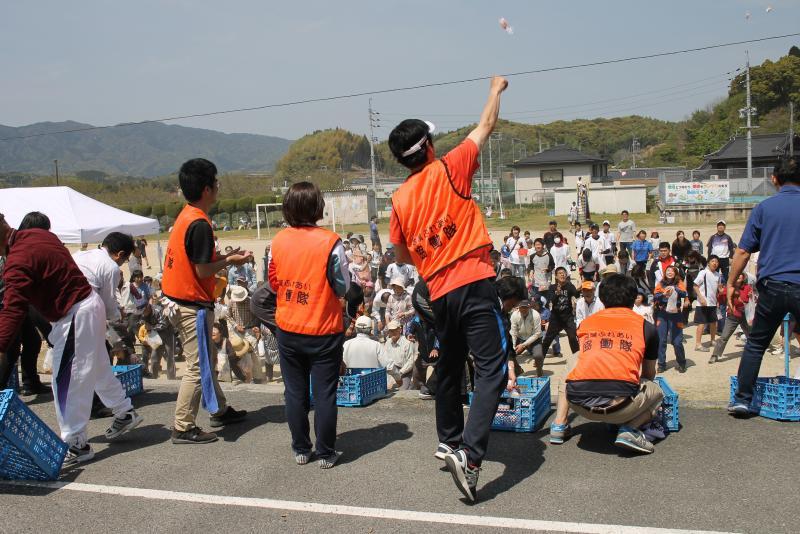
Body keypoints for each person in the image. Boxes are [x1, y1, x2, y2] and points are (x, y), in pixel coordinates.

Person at [387, 76, 510, 501]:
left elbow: (401, 254)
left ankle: (448, 440)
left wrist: (429, 260)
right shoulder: (451, 166)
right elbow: (486, 125)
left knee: (451, 362)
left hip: (438, 290)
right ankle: (471, 460)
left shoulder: (400, 198)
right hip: (474, 280)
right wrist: (495, 90)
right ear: (429, 147)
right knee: (492, 369)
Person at [0, 213, 142, 466]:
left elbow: (13, 309)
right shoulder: (39, 235)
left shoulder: (17, 261)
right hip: (88, 304)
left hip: (75, 313)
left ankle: (76, 444)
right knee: (97, 367)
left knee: (66, 379)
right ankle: (124, 410)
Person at [161, 158, 250, 445]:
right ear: (206, 189)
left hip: (182, 300)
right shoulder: (199, 223)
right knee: (198, 367)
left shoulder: (188, 214)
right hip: (191, 305)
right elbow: (202, 270)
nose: (218, 185)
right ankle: (183, 426)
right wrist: (230, 260)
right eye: (215, 181)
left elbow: (198, 262)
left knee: (207, 360)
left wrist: (223, 257)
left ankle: (219, 410)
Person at [268, 181, 349, 468]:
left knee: (294, 392)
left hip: (288, 326)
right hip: (323, 327)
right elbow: (342, 284)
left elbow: (274, 281)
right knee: (325, 393)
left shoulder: (278, 241)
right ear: (317, 207)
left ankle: (301, 449)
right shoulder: (330, 241)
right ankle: (326, 452)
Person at [549, 274, 663, 454]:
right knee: (657, 392)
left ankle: (559, 424)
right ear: (634, 298)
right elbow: (648, 374)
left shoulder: (586, 324)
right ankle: (629, 429)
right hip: (622, 408)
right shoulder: (647, 328)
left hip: (579, 405)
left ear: (601, 298)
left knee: (574, 360)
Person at [729, 155, 800, 416]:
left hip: (773, 287)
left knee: (757, 343)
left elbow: (744, 252)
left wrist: (730, 283)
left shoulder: (764, 208)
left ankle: (743, 400)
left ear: (774, 179)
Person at [709, 273, 752, 364]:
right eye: (737, 274)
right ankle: (715, 355)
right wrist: (721, 293)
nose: (738, 276)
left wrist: (736, 293)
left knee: (751, 335)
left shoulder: (747, 287)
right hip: (733, 315)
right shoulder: (728, 288)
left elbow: (745, 299)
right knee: (724, 336)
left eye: (740, 274)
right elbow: (721, 301)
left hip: (745, 315)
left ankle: (755, 352)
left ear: (743, 277)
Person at [540, 267, 581, 359]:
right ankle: (539, 359)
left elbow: (576, 295)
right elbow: (551, 301)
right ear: (556, 276)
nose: (562, 274)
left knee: (573, 337)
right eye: (560, 273)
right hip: (556, 318)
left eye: (564, 273)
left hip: (568, 317)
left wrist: (579, 289)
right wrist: (557, 294)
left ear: (566, 275)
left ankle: (578, 358)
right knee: (548, 339)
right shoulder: (552, 287)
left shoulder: (570, 286)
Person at [654, 265, 688, 373]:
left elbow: (684, 294)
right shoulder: (661, 283)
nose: (670, 272)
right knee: (661, 340)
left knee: (677, 341)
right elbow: (655, 296)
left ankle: (682, 362)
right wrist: (663, 294)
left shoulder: (679, 282)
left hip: (675, 313)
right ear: (665, 272)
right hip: (662, 313)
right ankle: (661, 364)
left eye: (672, 271)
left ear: (675, 273)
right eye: (668, 270)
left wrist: (675, 289)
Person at [410, 280, 440, 398]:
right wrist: (410, 335)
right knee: (417, 375)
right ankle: (420, 391)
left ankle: (431, 389)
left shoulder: (434, 321)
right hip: (422, 354)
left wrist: (436, 348)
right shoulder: (416, 320)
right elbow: (410, 330)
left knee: (436, 374)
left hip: (435, 356)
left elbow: (440, 335)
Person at [693, 255, 722, 353]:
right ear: (708, 262)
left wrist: (718, 299)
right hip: (703, 303)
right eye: (713, 261)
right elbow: (695, 286)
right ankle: (698, 344)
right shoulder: (703, 272)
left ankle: (713, 340)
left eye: (717, 262)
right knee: (701, 323)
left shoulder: (718, 275)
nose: (715, 263)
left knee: (714, 322)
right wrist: (701, 298)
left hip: (713, 302)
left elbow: (718, 289)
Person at [510, 299, 544, 377]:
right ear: (518, 308)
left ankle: (539, 371)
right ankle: (518, 370)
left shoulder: (535, 315)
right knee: (510, 353)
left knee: (538, 355)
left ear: (529, 307)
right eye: (522, 307)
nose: (523, 309)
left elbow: (537, 333)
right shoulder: (514, 315)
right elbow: (513, 332)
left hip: (535, 339)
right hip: (520, 337)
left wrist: (523, 345)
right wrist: (513, 346)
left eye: (525, 307)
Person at [383, 320, 415, 389]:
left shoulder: (407, 343)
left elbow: (410, 362)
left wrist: (399, 373)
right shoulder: (387, 343)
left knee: (401, 392)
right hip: (391, 370)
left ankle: (410, 385)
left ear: (400, 330)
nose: (392, 332)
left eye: (394, 330)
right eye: (390, 330)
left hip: (404, 372)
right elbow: (384, 358)